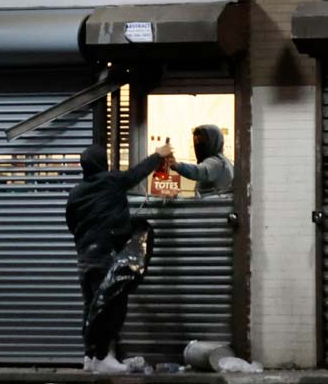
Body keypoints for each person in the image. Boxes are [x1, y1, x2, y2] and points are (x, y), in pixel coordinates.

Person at [66, 142, 173, 373]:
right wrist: (158, 155)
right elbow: (136, 174)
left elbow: (72, 224)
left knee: (91, 307)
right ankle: (103, 357)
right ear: (103, 163)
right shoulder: (110, 181)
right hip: (105, 256)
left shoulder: (76, 193)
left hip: (85, 258)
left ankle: (90, 357)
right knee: (112, 307)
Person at [166, 124, 234, 195]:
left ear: (213, 141)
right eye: (196, 141)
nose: (198, 145)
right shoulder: (227, 163)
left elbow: (199, 171)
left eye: (201, 140)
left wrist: (177, 166)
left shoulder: (216, 163)